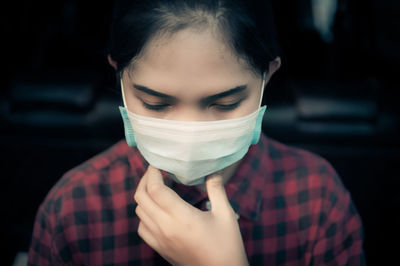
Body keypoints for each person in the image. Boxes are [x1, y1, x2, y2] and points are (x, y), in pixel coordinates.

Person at [28, 0, 365, 265]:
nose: (189, 133)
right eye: (155, 104)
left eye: (225, 103)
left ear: (267, 77)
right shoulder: (72, 211)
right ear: (119, 76)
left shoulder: (318, 200)